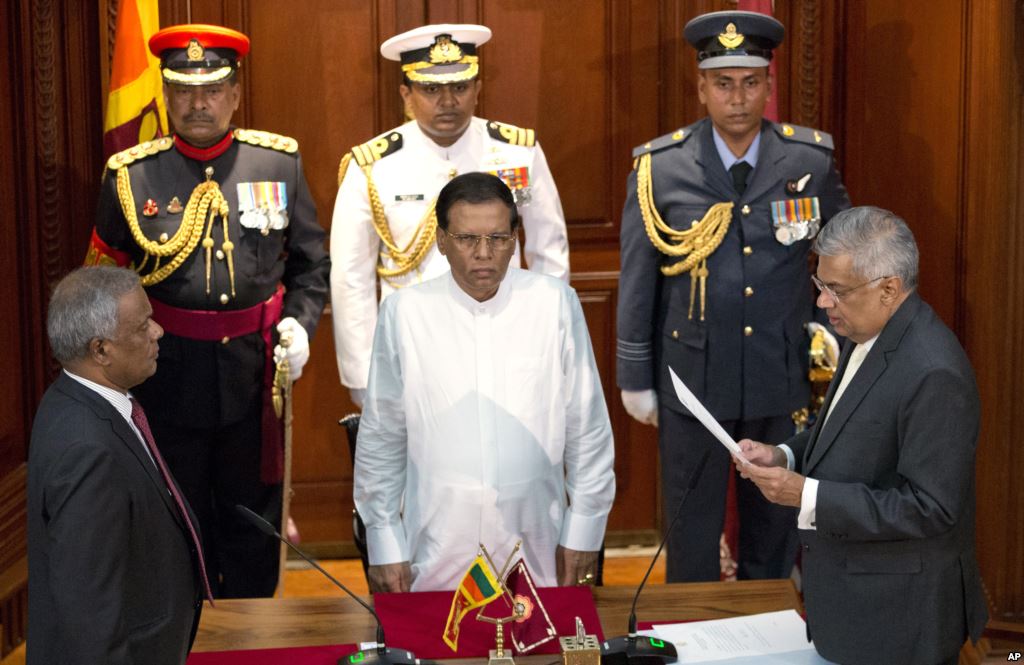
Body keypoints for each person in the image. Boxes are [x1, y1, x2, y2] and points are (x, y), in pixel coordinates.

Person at [86, 24, 330, 597]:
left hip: (256, 380)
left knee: (253, 523)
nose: (199, 104)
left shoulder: (278, 162)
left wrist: (301, 323)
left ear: (236, 94)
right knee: (175, 522)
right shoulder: (130, 175)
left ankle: (253, 639)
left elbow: (311, 264)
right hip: (163, 378)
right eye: (184, 91)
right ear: (166, 96)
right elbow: (101, 284)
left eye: (214, 89)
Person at [616, 9, 851, 582]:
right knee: (691, 531)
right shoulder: (661, 168)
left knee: (774, 528)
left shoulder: (808, 161)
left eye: (750, 83)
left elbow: (846, 254)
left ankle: (765, 632)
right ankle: (693, 636)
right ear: (701, 88)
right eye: (723, 83)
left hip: (781, 375)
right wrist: (635, 377)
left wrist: (843, 343)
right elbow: (639, 277)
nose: (738, 98)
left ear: (769, 87)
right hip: (692, 380)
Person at [735, 207, 987, 665]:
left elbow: (930, 509)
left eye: (837, 290)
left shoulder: (935, 372)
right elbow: (840, 430)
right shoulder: (866, 329)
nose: (822, 302)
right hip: (854, 611)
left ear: (889, 288)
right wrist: (785, 455)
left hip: (899, 623)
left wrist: (806, 496)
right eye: (821, 285)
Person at [353, 172, 614, 592]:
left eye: (497, 238)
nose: (484, 254)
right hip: (435, 548)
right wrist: (384, 543)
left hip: (539, 544)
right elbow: (382, 437)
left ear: (515, 238)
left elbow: (588, 429)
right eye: (466, 239)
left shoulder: (554, 305)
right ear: (441, 241)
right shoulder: (405, 314)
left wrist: (584, 532)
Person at [331, 24, 570, 408]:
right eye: (430, 89)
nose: (447, 101)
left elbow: (549, 253)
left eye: (459, 87)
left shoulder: (516, 153)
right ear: (406, 94)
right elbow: (351, 278)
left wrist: (547, 340)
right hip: (413, 352)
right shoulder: (373, 166)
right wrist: (363, 373)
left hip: (508, 342)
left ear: (477, 88)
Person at [27, 267, 209, 665]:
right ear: (101, 350)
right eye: (143, 324)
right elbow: (89, 611)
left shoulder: (71, 399)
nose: (158, 331)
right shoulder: (87, 451)